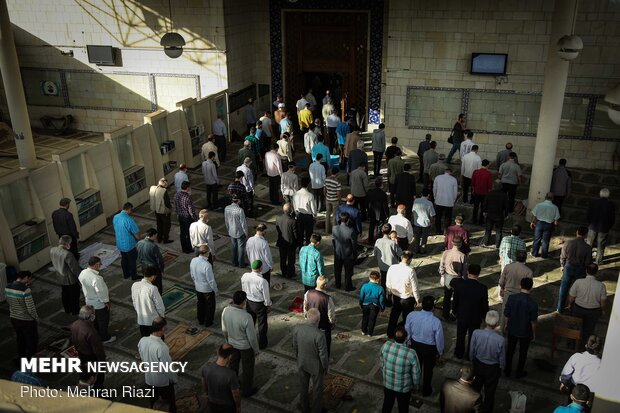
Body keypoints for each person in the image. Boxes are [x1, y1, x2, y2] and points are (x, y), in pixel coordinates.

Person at [221, 291, 260, 397]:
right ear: (244, 302)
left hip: (232, 343)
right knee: (247, 368)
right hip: (245, 347)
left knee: (233, 365)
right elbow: (251, 337)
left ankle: (232, 385)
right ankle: (247, 390)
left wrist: (228, 341)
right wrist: (256, 350)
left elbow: (224, 329)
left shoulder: (226, 310)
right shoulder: (246, 316)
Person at [405, 295, 445, 397]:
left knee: (415, 368)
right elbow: (439, 339)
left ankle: (415, 387)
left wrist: (409, 341)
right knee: (428, 371)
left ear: (422, 305)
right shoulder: (436, 322)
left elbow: (407, 329)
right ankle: (426, 391)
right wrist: (440, 352)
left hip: (415, 345)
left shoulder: (412, 315)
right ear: (433, 307)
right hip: (429, 349)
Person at [293, 308, 329, 413]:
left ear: (307, 317)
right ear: (318, 320)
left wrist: (298, 357)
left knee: (303, 386)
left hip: (302, 362)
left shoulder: (297, 329)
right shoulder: (319, 335)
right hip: (316, 366)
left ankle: (304, 407)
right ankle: (316, 410)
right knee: (317, 390)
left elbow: (295, 346)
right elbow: (323, 355)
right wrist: (325, 367)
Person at [138, 317, 177, 412]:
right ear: (163, 329)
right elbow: (167, 368)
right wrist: (174, 379)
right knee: (170, 404)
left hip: (149, 379)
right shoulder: (161, 347)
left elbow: (142, 357)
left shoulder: (142, 340)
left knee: (153, 402)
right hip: (162, 381)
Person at [469, 310, 505, 413]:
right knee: (490, 393)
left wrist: (473, 361)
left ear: (485, 320)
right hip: (492, 369)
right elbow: (502, 358)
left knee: (475, 389)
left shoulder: (476, 333)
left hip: (478, 364)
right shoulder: (500, 339)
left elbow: (472, 350)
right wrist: (501, 368)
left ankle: (472, 408)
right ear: (497, 323)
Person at [380, 325, 421, 413]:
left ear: (394, 337)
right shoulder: (411, 353)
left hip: (388, 384)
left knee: (387, 404)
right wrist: (416, 386)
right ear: (406, 339)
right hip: (404, 388)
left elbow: (381, 363)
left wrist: (384, 375)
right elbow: (416, 373)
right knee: (403, 408)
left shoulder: (386, 345)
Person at [452, 264, 488, 359]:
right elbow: (484, 305)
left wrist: (454, 311)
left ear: (468, 272)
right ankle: (469, 355)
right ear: (478, 274)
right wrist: (485, 316)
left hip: (462, 315)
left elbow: (455, 300)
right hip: (475, 317)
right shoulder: (482, 288)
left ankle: (459, 353)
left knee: (460, 335)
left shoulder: (460, 285)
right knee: (473, 337)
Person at [504, 277, 537, 379]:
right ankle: (519, 372)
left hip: (512, 329)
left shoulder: (511, 298)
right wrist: (534, 333)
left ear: (520, 286)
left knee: (510, 350)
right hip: (525, 332)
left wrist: (506, 325)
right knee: (523, 353)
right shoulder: (533, 304)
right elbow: (533, 321)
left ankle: (507, 370)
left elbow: (507, 314)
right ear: (531, 288)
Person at [79, 257, 115, 343]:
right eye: (100, 264)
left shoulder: (83, 273)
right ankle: (105, 338)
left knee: (94, 321)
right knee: (103, 321)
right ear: (96, 265)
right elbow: (101, 292)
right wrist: (107, 302)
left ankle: (97, 335)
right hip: (99, 304)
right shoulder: (96, 278)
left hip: (89, 301)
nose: (100, 266)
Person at [569, 264, 607, 342]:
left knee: (575, 327)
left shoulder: (578, 282)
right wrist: (603, 311)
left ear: (586, 271)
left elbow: (571, 298)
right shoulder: (601, 286)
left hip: (578, 309)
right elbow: (603, 303)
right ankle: (585, 346)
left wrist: (570, 304)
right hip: (593, 312)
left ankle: (572, 344)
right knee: (589, 331)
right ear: (596, 272)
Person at [70, 305, 106, 389]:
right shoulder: (91, 332)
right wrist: (102, 362)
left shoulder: (74, 325)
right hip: (91, 357)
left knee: (84, 374)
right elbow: (98, 350)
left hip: (80, 354)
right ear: (90, 316)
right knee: (97, 378)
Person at [386, 251, 420, 338]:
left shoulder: (392, 268)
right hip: (407, 298)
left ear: (401, 257)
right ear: (410, 260)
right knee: (407, 318)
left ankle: (390, 333)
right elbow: (414, 287)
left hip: (396, 296)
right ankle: (405, 335)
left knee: (394, 316)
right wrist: (417, 299)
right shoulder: (411, 271)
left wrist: (390, 291)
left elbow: (388, 284)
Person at [558, 227, 593, 313]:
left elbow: (562, 256)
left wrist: (562, 265)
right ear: (585, 235)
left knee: (564, 288)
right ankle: (572, 307)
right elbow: (588, 262)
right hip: (580, 269)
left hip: (568, 266)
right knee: (577, 289)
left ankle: (560, 308)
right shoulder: (588, 247)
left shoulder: (568, 243)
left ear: (577, 232)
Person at [6, 271, 39, 360]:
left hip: (14, 318)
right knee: (31, 340)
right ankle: (30, 359)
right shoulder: (25, 290)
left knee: (20, 339)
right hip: (26, 320)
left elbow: (9, 302)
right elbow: (31, 308)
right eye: (29, 279)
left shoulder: (7, 287)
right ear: (26, 278)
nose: (29, 281)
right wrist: (36, 318)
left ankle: (21, 357)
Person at [201, 343, 241, 413]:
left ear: (217, 352)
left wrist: (205, 394)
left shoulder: (205, 368)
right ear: (230, 356)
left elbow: (204, 383)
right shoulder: (231, 375)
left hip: (212, 402)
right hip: (227, 406)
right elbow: (236, 395)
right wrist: (238, 407)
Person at [241, 260, 272, 350]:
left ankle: (249, 340)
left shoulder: (245, 276)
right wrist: (268, 305)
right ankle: (262, 344)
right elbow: (266, 296)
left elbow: (243, 288)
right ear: (261, 268)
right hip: (259, 305)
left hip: (249, 302)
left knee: (250, 324)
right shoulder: (262, 281)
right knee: (262, 325)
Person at [304, 276, 336, 355]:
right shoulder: (327, 298)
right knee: (325, 343)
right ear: (324, 285)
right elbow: (331, 314)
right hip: (323, 325)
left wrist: (306, 317)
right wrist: (332, 322)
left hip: (311, 323)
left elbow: (305, 307)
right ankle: (325, 359)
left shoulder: (308, 293)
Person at [499, 251, 533, 326]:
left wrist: (502, 289)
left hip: (508, 294)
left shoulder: (508, 267)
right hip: (520, 296)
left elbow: (501, 281)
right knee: (517, 315)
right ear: (525, 259)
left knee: (505, 314)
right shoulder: (529, 271)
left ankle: (503, 332)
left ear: (516, 257)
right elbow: (529, 287)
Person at [50, 235, 81, 315]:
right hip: (69, 279)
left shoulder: (52, 250)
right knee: (74, 295)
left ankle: (67, 309)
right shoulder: (67, 254)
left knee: (65, 294)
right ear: (67, 244)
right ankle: (75, 311)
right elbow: (74, 268)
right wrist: (80, 276)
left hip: (60, 277)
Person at [131, 265, 165, 337]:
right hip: (153, 321)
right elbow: (159, 306)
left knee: (145, 339)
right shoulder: (152, 288)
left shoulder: (134, 285)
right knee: (157, 340)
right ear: (152, 277)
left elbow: (134, 302)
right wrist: (161, 317)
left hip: (141, 320)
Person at [439, 237, 467, 321]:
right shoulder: (462, 256)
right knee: (457, 298)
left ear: (451, 243)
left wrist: (442, 275)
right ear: (461, 244)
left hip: (448, 277)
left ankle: (445, 314)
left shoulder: (446, 253)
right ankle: (454, 314)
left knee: (447, 297)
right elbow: (464, 270)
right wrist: (464, 278)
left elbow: (441, 266)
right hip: (458, 278)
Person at [190, 245, 219, 328]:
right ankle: (208, 322)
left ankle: (201, 320)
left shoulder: (193, 260)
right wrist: (216, 290)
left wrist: (196, 283)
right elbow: (211, 280)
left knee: (200, 304)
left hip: (198, 287)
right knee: (210, 306)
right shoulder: (207, 265)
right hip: (207, 290)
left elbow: (192, 274)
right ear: (206, 253)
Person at [374, 223, 403, 302]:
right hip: (392, 267)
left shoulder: (378, 241)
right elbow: (400, 253)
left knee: (383, 281)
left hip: (382, 265)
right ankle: (389, 299)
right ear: (390, 232)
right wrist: (397, 244)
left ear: (382, 231)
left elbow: (375, 253)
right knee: (391, 283)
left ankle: (382, 297)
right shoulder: (392, 243)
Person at [586, 188, 615, 264]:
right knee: (601, 245)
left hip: (592, 226)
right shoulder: (610, 205)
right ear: (608, 195)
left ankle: (586, 259)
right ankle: (598, 260)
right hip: (604, 227)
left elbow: (588, 214)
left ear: (600, 194)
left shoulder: (593, 202)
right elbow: (612, 218)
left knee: (589, 243)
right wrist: (609, 227)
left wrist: (590, 223)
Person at [113, 202, 141, 279]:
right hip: (129, 245)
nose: (132, 212)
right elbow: (136, 233)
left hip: (120, 243)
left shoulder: (116, 217)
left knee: (124, 259)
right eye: (131, 210)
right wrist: (140, 241)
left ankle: (126, 274)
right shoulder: (129, 219)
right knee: (132, 261)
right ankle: (134, 276)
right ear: (129, 209)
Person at [530, 192, 560, 258]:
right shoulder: (555, 208)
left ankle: (534, 253)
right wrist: (556, 226)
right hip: (549, 225)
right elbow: (556, 220)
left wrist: (532, 222)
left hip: (539, 224)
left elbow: (534, 215)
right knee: (545, 241)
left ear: (545, 197)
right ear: (553, 199)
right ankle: (544, 255)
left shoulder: (539, 205)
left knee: (537, 239)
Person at [332, 212, 357, 291]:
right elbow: (354, 244)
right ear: (348, 220)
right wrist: (355, 253)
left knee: (337, 270)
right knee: (348, 272)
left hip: (338, 252)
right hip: (348, 253)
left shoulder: (334, 228)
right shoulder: (351, 230)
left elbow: (333, 240)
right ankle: (348, 286)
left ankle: (337, 284)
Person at [136, 228, 165, 294]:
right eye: (156, 235)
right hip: (153, 267)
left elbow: (137, 254)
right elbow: (159, 259)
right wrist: (161, 269)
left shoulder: (139, 243)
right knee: (157, 284)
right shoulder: (153, 246)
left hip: (143, 266)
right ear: (153, 235)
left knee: (148, 282)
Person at [482, 182, 510, 248]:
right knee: (499, 231)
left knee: (488, 230)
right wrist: (506, 214)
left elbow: (485, 203)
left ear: (494, 186)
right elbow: (506, 206)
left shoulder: (489, 194)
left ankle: (486, 243)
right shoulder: (504, 195)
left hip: (490, 215)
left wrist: (484, 211)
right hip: (499, 215)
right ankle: (497, 245)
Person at [224, 196, 248, 268]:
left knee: (233, 246)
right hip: (240, 232)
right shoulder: (240, 210)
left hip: (231, 231)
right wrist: (246, 232)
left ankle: (234, 262)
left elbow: (226, 221)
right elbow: (243, 223)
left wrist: (228, 229)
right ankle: (241, 264)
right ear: (238, 201)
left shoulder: (227, 208)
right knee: (241, 248)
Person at [359, 271, 385, 336]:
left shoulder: (364, 286)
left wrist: (361, 303)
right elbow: (381, 300)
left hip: (365, 305)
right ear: (378, 279)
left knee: (365, 318)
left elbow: (361, 296)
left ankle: (363, 330)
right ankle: (370, 333)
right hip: (374, 306)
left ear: (369, 277)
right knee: (372, 319)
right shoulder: (380, 288)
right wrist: (382, 308)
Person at [174, 181, 197, 254]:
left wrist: (178, 213)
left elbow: (175, 205)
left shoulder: (176, 194)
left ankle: (184, 248)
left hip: (180, 216)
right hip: (187, 217)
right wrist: (194, 218)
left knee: (183, 233)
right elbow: (191, 209)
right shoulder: (187, 197)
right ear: (187, 188)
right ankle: (189, 248)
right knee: (188, 233)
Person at [293, 177, 317, 246]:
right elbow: (313, 208)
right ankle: (307, 247)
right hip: (308, 217)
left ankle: (300, 247)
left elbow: (294, 205)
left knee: (300, 234)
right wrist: (315, 215)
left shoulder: (296, 194)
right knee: (309, 234)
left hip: (299, 215)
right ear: (308, 184)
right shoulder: (310, 195)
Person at [276, 203, 297, 279]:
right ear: (290, 210)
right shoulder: (292, 221)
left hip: (281, 242)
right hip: (290, 243)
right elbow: (295, 234)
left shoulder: (278, 218)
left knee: (283, 258)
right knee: (291, 259)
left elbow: (278, 230)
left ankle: (284, 272)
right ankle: (290, 273)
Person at [433, 168, 458, 234]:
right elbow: (455, 192)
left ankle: (437, 230)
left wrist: (435, 197)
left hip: (439, 200)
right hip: (449, 201)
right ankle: (446, 230)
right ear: (450, 172)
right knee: (448, 217)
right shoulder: (453, 179)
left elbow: (434, 189)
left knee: (438, 217)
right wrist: (454, 200)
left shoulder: (438, 178)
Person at [411, 188, 435, 254]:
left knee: (417, 237)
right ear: (429, 195)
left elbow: (413, 212)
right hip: (426, 223)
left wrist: (413, 220)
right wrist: (432, 223)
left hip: (417, 222)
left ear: (421, 194)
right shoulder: (429, 203)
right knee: (424, 237)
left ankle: (416, 249)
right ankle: (422, 249)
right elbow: (432, 215)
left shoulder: (416, 201)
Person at [366, 177, 390, 244]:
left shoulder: (370, 192)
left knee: (371, 227)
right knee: (380, 228)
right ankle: (378, 241)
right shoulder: (383, 194)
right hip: (380, 213)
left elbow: (367, 202)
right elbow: (385, 206)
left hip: (372, 212)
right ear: (381, 185)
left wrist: (368, 210)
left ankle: (370, 240)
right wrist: (387, 215)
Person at [149, 178, 173, 243]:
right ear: (165, 184)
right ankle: (165, 239)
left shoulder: (153, 188)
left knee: (159, 224)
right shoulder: (163, 191)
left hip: (156, 210)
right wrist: (170, 209)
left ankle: (159, 238)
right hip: (163, 211)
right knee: (166, 225)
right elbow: (167, 202)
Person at [471, 159, 493, 225]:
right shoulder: (489, 174)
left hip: (476, 192)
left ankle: (474, 220)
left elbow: (473, 182)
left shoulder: (475, 172)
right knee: (483, 208)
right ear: (487, 165)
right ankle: (481, 221)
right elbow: (489, 185)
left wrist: (473, 190)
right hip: (485, 193)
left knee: (476, 207)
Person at [324, 167, 342, 234]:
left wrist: (326, 196)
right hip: (335, 200)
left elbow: (324, 189)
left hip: (328, 199)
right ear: (337, 173)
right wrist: (340, 201)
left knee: (327, 215)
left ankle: (327, 230)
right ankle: (334, 231)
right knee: (334, 216)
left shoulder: (326, 179)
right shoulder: (337, 182)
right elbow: (338, 193)